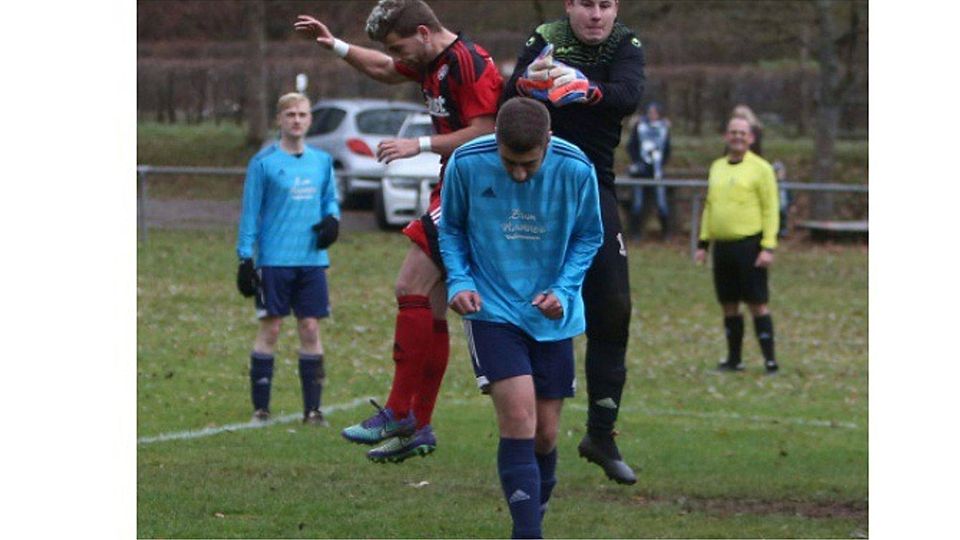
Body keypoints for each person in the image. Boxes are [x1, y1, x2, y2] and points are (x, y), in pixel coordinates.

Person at [295, 0, 503, 462]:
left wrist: (419, 144)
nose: (399, 56)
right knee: (429, 303)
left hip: (475, 189)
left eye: (401, 45)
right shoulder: (429, 60)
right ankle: (419, 426)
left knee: (409, 284)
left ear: (425, 32)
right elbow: (387, 70)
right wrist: (336, 46)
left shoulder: (469, 62)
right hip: (455, 182)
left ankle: (397, 411)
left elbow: (488, 130)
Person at [439, 97, 604, 539]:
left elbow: (590, 235)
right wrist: (458, 281)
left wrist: (565, 291)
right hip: (491, 308)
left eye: (528, 163)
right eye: (509, 161)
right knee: (519, 422)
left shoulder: (575, 168)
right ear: (496, 142)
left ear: (548, 142)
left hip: (551, 313)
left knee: (546, 435)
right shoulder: (466, 163)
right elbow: (451, 226)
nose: (518, 173)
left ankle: (530, 519)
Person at [502, 0, 644, 485]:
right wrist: (531, 82)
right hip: (537, 188)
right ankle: (530, 428)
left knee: (615, 307)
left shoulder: (625, 44)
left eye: (605, 4)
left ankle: (601, 433)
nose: (596, 14)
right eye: (587, 3)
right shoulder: (545, 36)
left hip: (594, 188)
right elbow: (509, 92)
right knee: (528, 303)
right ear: (570, 6)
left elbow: (629, 94)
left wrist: (587, 89)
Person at [235, 92, 341, 425]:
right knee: (272, 329)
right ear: (279, 119)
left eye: (303, 114)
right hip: (274, 260)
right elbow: (250, 213)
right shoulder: (264, 163)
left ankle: (313, 410)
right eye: (290, 114)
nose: (297, 120)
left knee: (310, 329)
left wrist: (332, 221)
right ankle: (261, 410)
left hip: (311, 261)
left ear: (310, 120)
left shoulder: (322, 162)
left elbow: (330, 201)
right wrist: (244, 259)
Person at [694, 117, 780, 374]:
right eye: (733, 132)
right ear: (726, 136)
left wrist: (768, 246)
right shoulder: (717, 167)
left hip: (750, 246)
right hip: (724, 247)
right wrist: (703, 243)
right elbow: (710, 207)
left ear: (751, 138)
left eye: (742, 133)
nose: (737, 137)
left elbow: (771, 209)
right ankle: (734, 359)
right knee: (728, 303)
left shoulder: (761, 169)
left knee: (757, 302)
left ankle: (770, 360)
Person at [626, 102, 673, 240]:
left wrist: (660, 163)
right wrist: (638, 162)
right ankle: (635, 233)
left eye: (655, 112)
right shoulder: (639, 127)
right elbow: (631, 146)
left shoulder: (664, 128)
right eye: (650, 112)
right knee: (637, 204)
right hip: (640, 172)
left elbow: (667, 150)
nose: (652, 115)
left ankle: (666, 233)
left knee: (662, 203)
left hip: (657, 172)